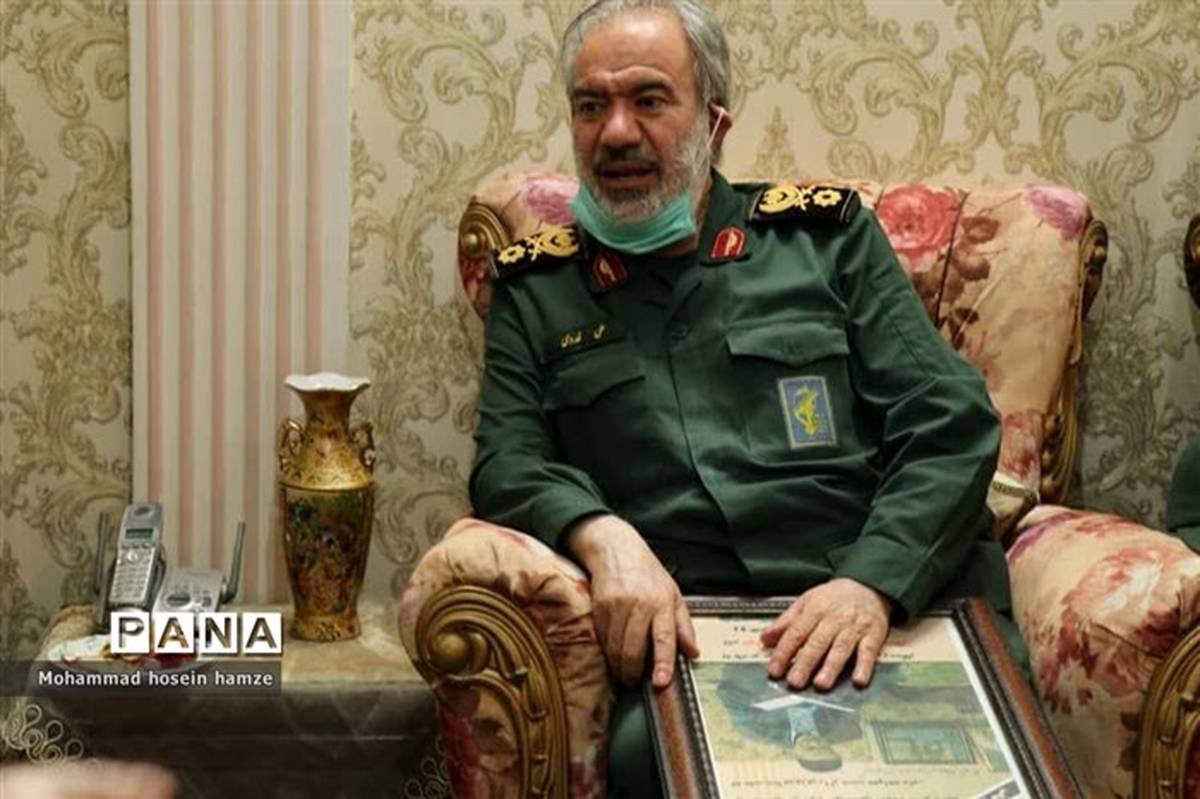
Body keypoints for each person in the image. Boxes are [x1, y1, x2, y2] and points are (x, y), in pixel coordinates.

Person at [468, 1, 1020, 795]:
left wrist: (872, 582)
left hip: (892, 602)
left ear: (714, 124)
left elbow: (950, 422)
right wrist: (602, 534)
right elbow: (506, 462)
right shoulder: (537, 287)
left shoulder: (825, 242)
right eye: (591, 106)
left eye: (649, 100)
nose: (615, 132)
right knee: (647, 761)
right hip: (704, 636)